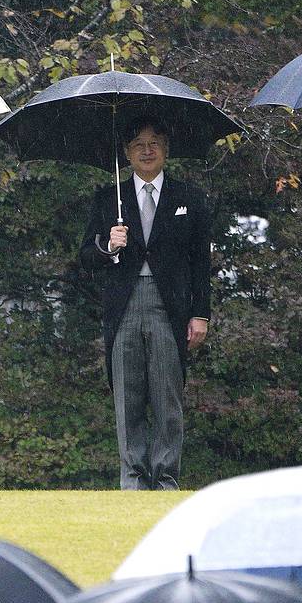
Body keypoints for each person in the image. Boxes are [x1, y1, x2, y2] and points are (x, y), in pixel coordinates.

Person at [79, 115, 213, 490]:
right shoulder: (109, 199)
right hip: (124, 305)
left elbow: (201, 262)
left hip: (169, 306)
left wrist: (200, 313)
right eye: (138, 143)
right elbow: (85, 258)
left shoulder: (189, 198)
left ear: (166, 148)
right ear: (126, 152)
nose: (147, 149)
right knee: (128, 397)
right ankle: (133, 480)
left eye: (154, 142)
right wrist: (109, 245)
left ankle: (166, 478)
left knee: (168, 395)